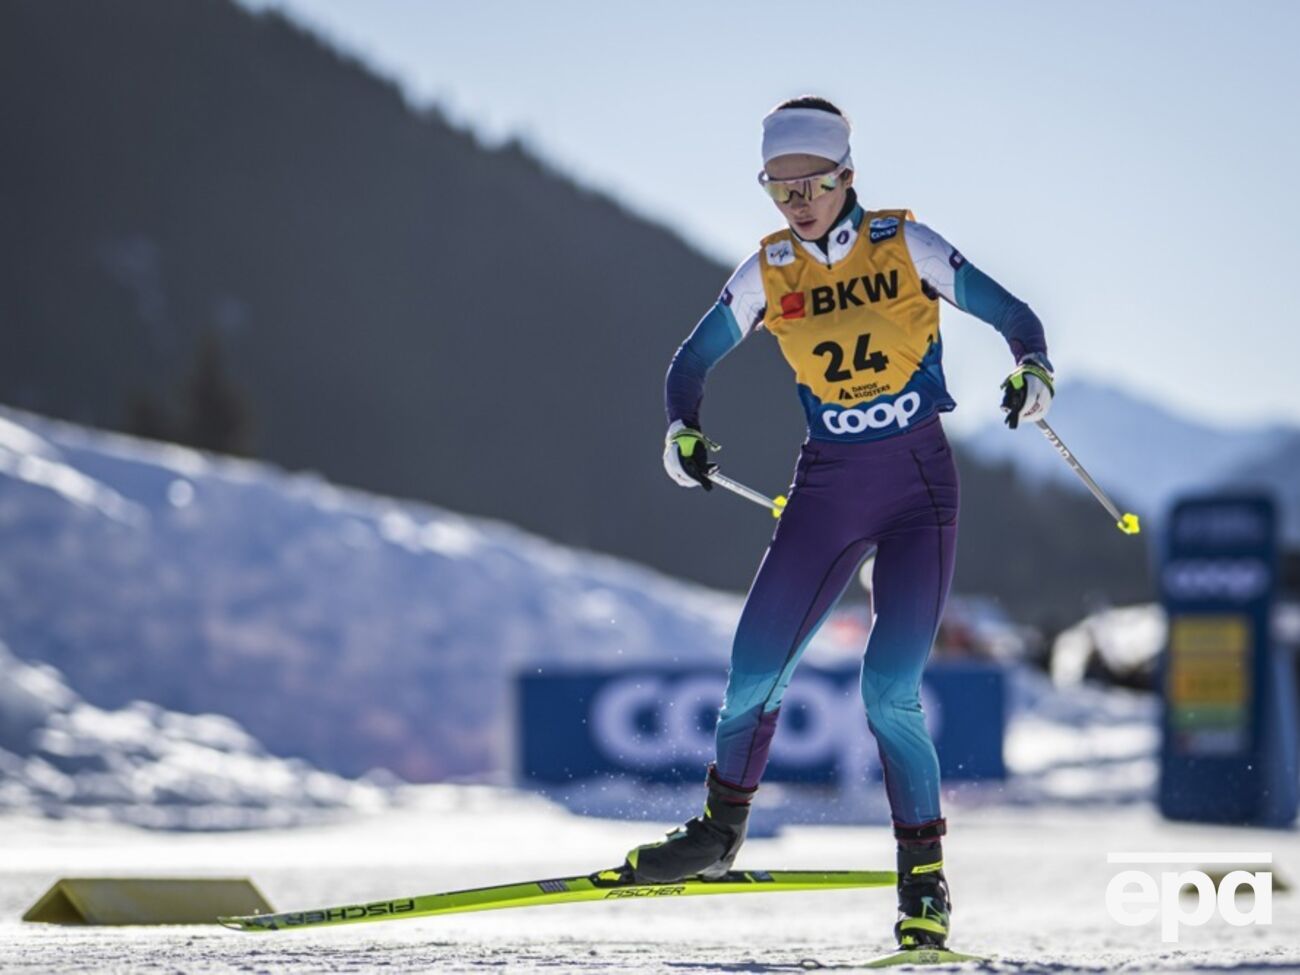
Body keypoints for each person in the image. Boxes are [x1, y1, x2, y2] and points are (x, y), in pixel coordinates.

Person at [620, 95, 1054, 952]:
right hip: (828, 484)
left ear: (847, 175)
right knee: (751, 672)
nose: (797, 203)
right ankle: (718, 832)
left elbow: (1015, 315)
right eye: (779, 190)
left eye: (812, 185)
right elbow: (691, 360)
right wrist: (681, 428)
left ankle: (924, 884)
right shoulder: (769, 268)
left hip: (916, 488)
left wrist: (1032, 366)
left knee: (888, 691)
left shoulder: (905, 244)